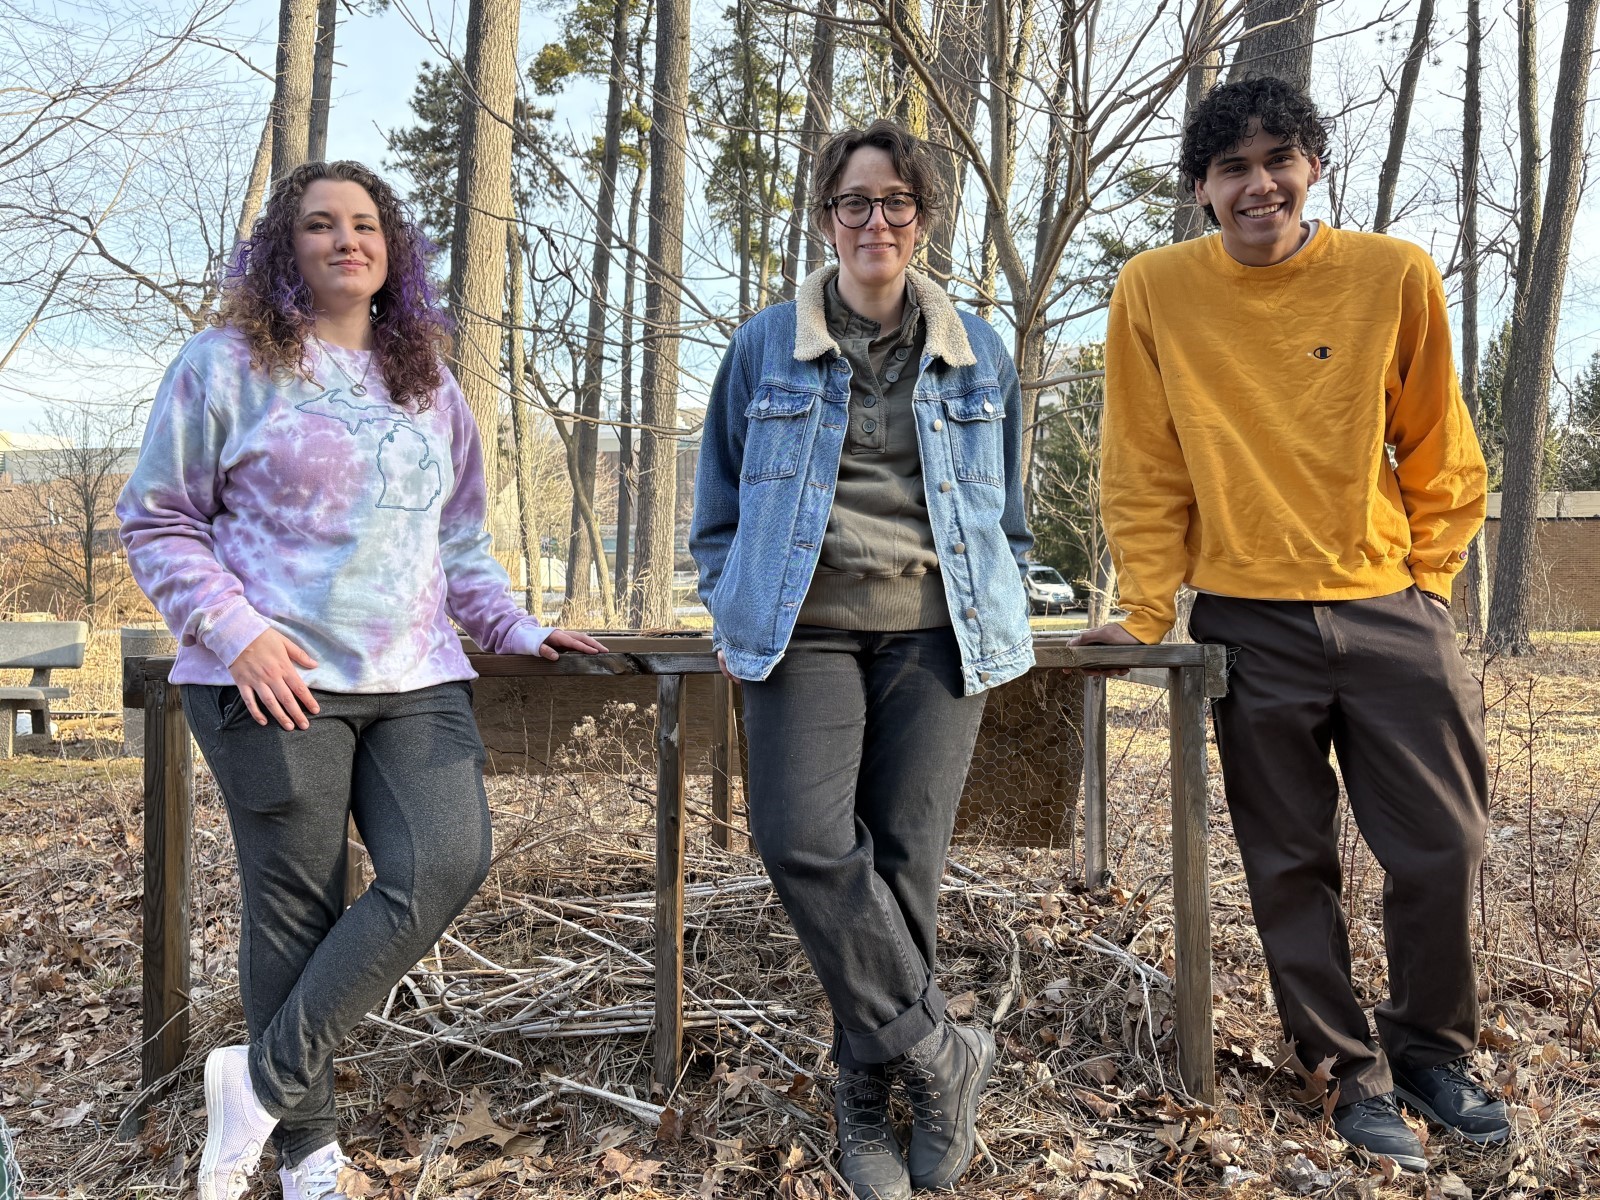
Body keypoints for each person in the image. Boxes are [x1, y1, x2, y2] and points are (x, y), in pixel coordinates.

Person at [117, 160, 605, 1200]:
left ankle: (254, 1084)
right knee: (294, 909)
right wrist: (234, 631)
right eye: (320, 225)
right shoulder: (226, 365)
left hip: (416, 674)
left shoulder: (425, 378)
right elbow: (157, 518)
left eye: (367, 225)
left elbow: (462, 539)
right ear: (282, 250)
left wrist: (513, 625)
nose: (348, 240)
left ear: (394, 251)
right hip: (271, 677)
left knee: (443, 859)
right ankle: (307, 1153)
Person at [1076, 77, 1509, 1171]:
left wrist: (1430, 582)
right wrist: (1140, 606)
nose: (1256, 183)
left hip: (1386, 607)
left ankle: (1429, 1053)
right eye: (1231, 167)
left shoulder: (1392, 275)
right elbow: (1142, 459)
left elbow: (1438, 442)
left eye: (1278, 158)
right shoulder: (1155, 290)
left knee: (1440, 845)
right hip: (1245, 620)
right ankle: (1343, 1070)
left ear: (1311, 166)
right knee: (1287, 859)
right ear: (1201, 191)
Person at [690, 119, 1033, 1198]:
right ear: (826, 217)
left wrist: (1000, 595)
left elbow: (1008, 519)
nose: (874, 220)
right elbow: (718, 507)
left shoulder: (977, 348)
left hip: (938, 631)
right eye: (853, 202)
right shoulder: (764, 347)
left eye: (894, 202)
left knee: (901, 869)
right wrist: (729, 593)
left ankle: (867, 1102)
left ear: (920, 217)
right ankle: (939, 1051)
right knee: (799, 838)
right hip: (804, 630)